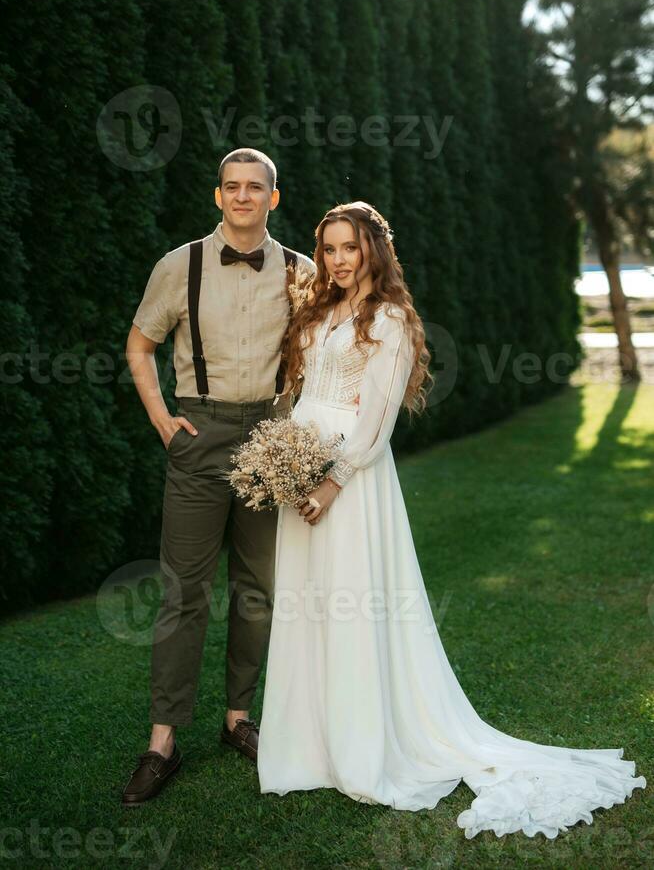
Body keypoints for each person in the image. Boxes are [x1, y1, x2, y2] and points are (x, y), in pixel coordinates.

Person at [256, 201, 646, 838]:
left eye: (349, 247)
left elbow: (377, 423)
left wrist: (330, 482)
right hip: (302, 475)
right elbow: (303, 396)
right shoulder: (320, 312)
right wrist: (283, 460)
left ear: (373, 251)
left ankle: (364, 750)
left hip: (350, 483)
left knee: (353, 603)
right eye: (328, 249)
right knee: (309, 604)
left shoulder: (390, 321)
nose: (337, 260)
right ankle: (308, 748)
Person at [121, 148, 316, 806]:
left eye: (253, 187)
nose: (241, 196)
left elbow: (330, 353)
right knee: (184, 593)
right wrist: (160, 418)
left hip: (270, 438)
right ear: (217, 196)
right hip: (198, 437)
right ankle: (162, 742)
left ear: (273, 198)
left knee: (258, 586)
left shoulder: (302, 272)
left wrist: (303, 431)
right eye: (231, 187)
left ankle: (239, 718)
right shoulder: (179, 266)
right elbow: (140, 344)